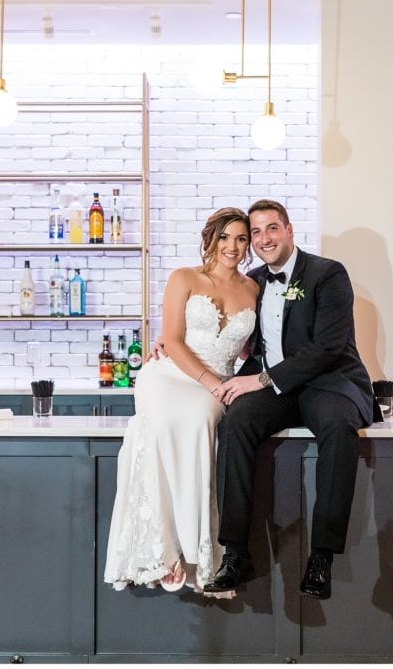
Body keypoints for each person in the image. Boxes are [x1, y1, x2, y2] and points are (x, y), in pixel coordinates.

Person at [203, 199, 376, 600]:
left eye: (272, 229)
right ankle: (235, 551)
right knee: (236, 422)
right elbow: (226, 325)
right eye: (256, 232)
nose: (264, 239)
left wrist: (262, 379)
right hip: (275, 389)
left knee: (337, 426)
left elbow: (329, 347)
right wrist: (168, 339)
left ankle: (321, 557)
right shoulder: (253, 280)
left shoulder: (328, 273)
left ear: (289, 230)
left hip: (328, 382)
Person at [103, 208, 258, 596]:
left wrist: (246, 378)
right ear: (210, 238)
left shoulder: (254, 289)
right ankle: (163, 549)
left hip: (217, 386)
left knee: (201, 422)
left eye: (241, 239)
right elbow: (170, 339)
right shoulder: (184, 277)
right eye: (225, 237)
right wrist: (209, 381)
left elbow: (253, 349)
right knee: (160, 429)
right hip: (170, 375)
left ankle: (195, 552)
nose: (233, 247)